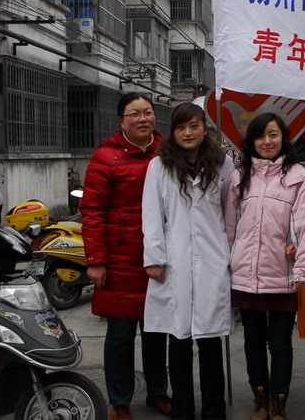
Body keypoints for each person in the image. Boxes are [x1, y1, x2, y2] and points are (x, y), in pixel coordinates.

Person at [224, 113, 305, 420]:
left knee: (280, 344)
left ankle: (279, 403)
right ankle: (260, 399)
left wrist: (304, 266)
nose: (267, 142)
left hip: (283, 273)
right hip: (246, 275)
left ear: (284, 138)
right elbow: (229, 227)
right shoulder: (239, 177)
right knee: (252, 341)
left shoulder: (299, 177)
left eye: (273, 135)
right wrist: (226, 265)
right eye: (260, 136)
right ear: (251, 141)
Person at [142, 103, 234, 420]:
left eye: (194, 126)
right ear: (173, 132)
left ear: (204, 128)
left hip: (212, 259)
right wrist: (155, 258)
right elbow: (152, 215)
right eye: (181, 127)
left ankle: (214, 410)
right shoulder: (159, 166)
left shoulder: (222, 164)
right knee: (178, 338)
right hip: (175, 260)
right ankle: (182, 410)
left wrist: (229, 253)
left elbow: (231, 213)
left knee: (210, 341)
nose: (188, 133)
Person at [81, 92, 170, 420]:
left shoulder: (167, 152)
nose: (143, 119)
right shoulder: (106, 157)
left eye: (148, 112)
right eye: (135, 114)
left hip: (159, 257)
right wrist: (96, 260)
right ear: (121, 121)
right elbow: (92, 210)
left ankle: (158, 392)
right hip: (119, 259)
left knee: (157, 332)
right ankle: (120, 401)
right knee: (119, 335)